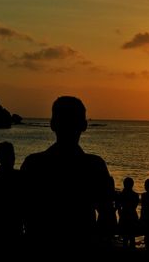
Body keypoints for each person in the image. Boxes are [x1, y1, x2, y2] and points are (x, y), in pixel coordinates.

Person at [21, 96, 114, 259]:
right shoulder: (94, 166)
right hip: (82, 249)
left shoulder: (34, 164)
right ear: (84, 125)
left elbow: (20, 212)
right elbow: (107, 216)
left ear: (52, 124)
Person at [117, 177, 139, 249]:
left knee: (125, 238)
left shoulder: (121, 194)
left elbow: (118, 206)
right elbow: (135, 206)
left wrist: (120, 214)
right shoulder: (135, 195)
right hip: (133, 215)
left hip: (124, 215)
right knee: (132, 237)